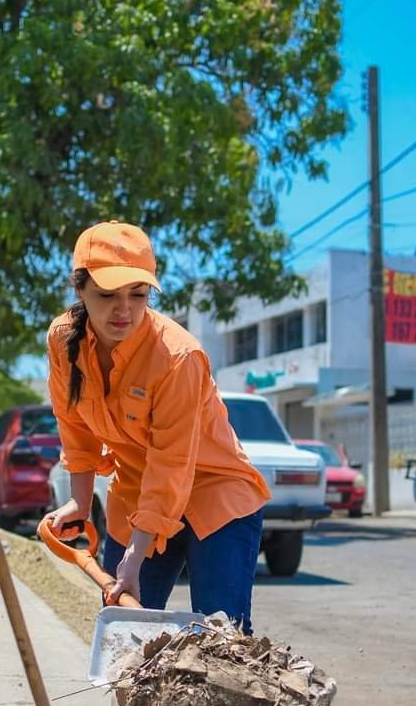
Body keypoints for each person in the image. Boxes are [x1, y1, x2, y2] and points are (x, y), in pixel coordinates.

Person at [46, 220, 270, 632]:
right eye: (107, 295)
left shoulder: (178, 357)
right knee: (124, 633)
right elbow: (73, 423)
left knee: (220, 636)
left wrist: (135, 555)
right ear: (79, 289)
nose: (124, 310)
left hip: (214, 493)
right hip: (137, 492)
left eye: (138, 294)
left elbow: (172, 463)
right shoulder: (65, 340)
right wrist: (79, 501)